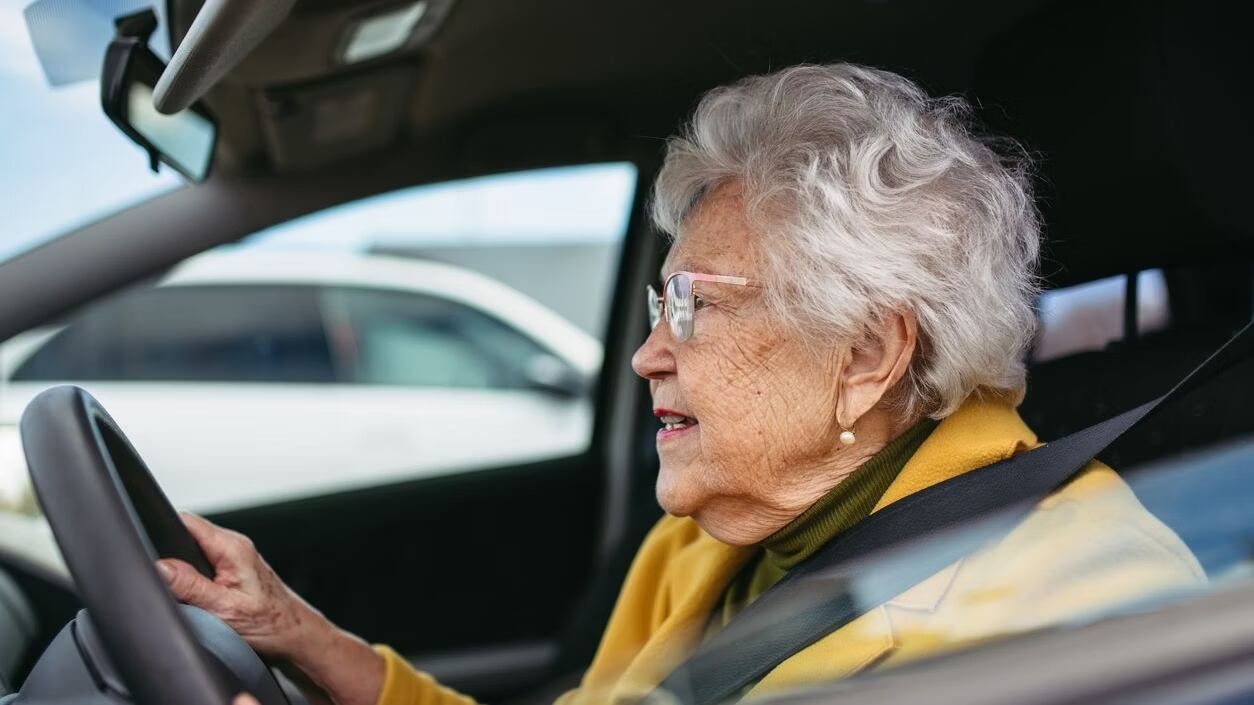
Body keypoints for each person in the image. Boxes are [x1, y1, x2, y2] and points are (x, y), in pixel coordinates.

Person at [162, 64, 1204, 705]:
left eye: (697, 308)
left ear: (865, 358)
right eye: (661, 309)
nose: (647, 356)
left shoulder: (1072, 610)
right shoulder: (708, 538)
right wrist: (301, 639)